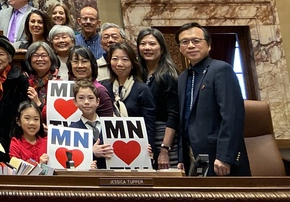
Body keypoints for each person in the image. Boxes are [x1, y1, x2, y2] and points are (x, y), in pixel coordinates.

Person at [176, 22, 250, 176]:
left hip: (219, 156)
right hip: (195, 155)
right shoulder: (183, 77)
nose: (190, 45)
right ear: (180, 48)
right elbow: (184, 120)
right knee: (200, 197)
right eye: (185, 42)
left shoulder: (221, 69)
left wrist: (225, 156)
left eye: (196, 41)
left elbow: (232, 116)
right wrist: (181, 157)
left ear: (209, 45)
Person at [101, 41, 157, 154]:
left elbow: (149, 124)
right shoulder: (104, 87)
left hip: (137, 148)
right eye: (115, 59)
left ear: (132, 63)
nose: (119, 64)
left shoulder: (142, 89)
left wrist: (149, 148)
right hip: (109, 148)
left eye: (125, 60)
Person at [137, 27, 179, 169]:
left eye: (152, 44)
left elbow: (174, 114)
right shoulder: (138, 74)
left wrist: (164, 149)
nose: (147, 48)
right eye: (143, 44)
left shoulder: (168, 75)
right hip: (145, 134)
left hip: (164, 136)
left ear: (161, 49)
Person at [69, 80, 114, 169]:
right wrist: (91, 152)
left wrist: (144, 149)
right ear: (75, 102)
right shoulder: (72, 130)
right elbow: (72, 158)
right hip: (87, 178)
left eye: (90, 98)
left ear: (98, 101)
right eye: (81, 98)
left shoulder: (112, 126)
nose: (86, 102)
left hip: (111, 176)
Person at [66, 45, 114, 117]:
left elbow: (108, 123)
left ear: (92, 64)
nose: (80, 66)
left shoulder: (100, 90)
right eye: (75, 61)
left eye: (84, 61)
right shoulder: (65, 87)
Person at [24, 41, 59, 121]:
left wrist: (38, 103)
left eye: (43, 55)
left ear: (51, 58)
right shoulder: (25, 83)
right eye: (35, 56)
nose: (40, 59)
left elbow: (58, 114)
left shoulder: (58, 83)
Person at [9, 100, 48, 165]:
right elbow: (15, 170)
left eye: (36, 119)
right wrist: (39, 165)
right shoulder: (16, 143)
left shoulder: (47, 142)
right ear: (18, 121)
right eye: (27, 118)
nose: (32, 123)